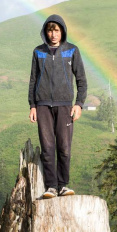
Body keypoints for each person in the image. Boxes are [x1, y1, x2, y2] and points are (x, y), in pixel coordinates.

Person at [28, 14, 87, 199]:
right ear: (45, 32)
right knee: (47, 147)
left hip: (65, 106)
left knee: (64, 147)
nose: (53, 34)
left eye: (57, 30)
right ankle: (51, 187)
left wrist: (79, 104)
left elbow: (81, 80)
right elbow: (32, 80)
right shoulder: (38, 52)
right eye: (50, 30)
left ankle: (63, 185)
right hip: (43, 105)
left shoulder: (72, 51)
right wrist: (32, 105)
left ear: (62, 31)